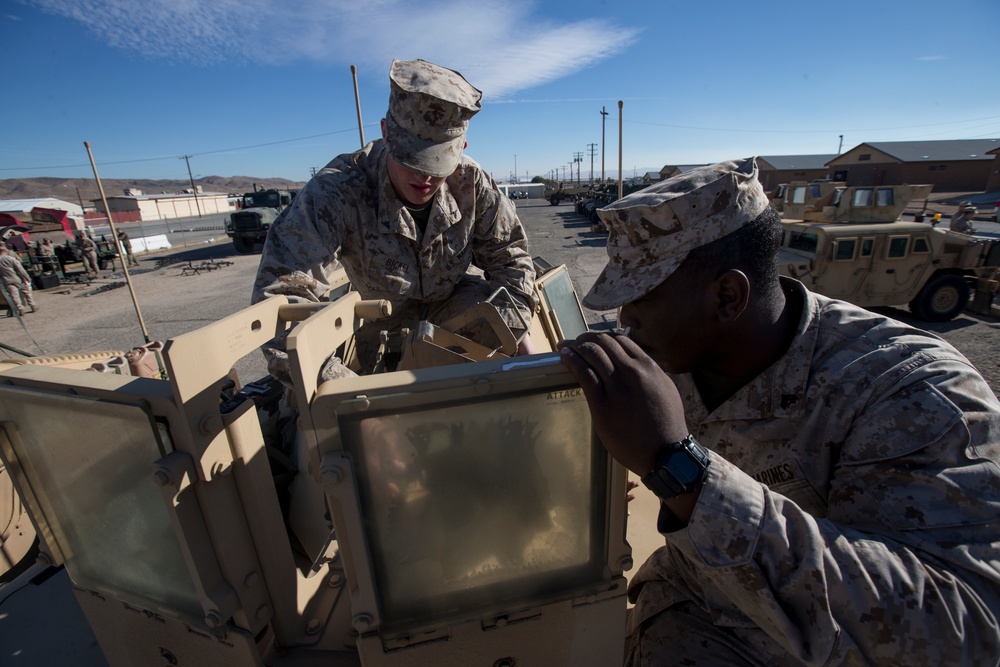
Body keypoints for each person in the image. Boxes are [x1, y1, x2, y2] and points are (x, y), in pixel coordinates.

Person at [558, 158, 1000, 665]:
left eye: (642, 299)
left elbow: (966, 628)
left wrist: (678, 468)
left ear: (729, 296)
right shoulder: (677, 351)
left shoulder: (911, 390)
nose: (624, 320)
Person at [253, 59, 537, 378]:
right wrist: (346, 390)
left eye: (436, 163)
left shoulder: (471, 184)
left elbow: (513, 263)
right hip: (384, 341)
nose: (424, 176)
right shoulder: (337, 192)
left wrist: (516, 337)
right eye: (412, 159)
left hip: (458, 327)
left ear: (461, 149)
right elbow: (281, 301)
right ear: (386, 133)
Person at [0, 245, 37, 316]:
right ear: (5, 251)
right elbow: (20, 269)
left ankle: (20, 309)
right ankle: (32, 305)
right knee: (26, 292)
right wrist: (27, 277)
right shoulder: (11, 258)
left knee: (14, 295)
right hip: (17, 278)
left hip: (6, 280)